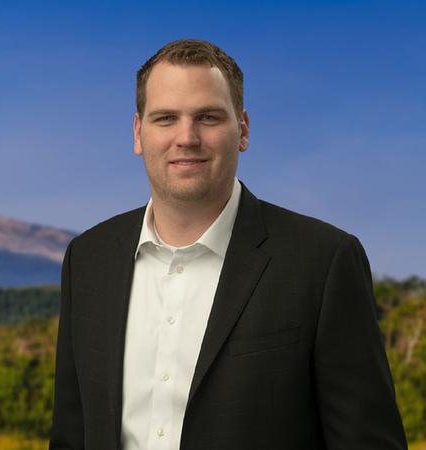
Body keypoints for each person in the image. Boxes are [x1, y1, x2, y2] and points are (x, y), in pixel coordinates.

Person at [49, 39, 407, 450]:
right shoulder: (88, 259)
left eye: (208, 117)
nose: (186, 137)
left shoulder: (323, 262)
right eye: (166, 118)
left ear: (243, 130)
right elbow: (70, 436)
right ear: (138, 133)